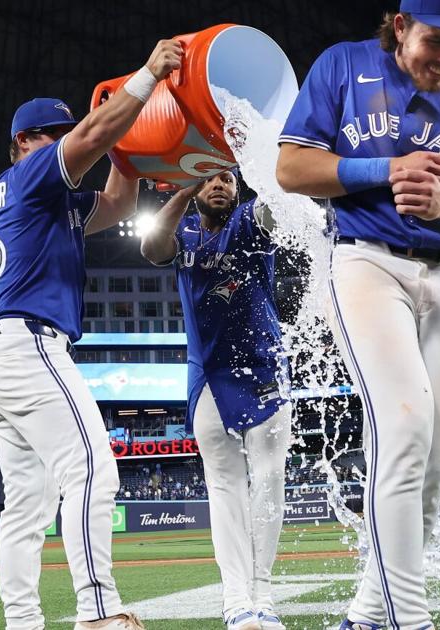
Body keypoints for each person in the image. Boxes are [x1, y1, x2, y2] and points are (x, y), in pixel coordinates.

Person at [275, 1, 440, 628]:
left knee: (437, 459)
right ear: (399, 26)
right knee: (406, 426)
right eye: (435, 41)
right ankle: (409, 620)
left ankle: (366, 615)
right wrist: (386, 168)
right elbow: (290, 169)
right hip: (365, 264)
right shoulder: (342, 65)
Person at [0, 37, 183, 630]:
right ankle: (97, 613)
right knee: (92, 468)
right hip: (28, 344)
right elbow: (89, 139)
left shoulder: (45, 200)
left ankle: (23, 623)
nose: (64, 140)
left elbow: (116, 204)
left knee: (26, 506)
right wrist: (145, 80)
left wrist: (129, 147)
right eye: (52, 134)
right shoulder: (34, 173)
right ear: (24, 143)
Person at [140, 170, 291, 630]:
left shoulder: (248, 220)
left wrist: (258, 157)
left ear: (238, 189)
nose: (218, 185)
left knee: (269, 480)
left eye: (226, 178)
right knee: (224, 487)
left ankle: (262, 595)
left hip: (265, 367)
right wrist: (183, 188)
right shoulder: (182, 232)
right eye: (208, 181)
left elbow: (275, 206)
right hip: (206, 372)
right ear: (193, 191)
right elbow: (150, 249)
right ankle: (236, 600)